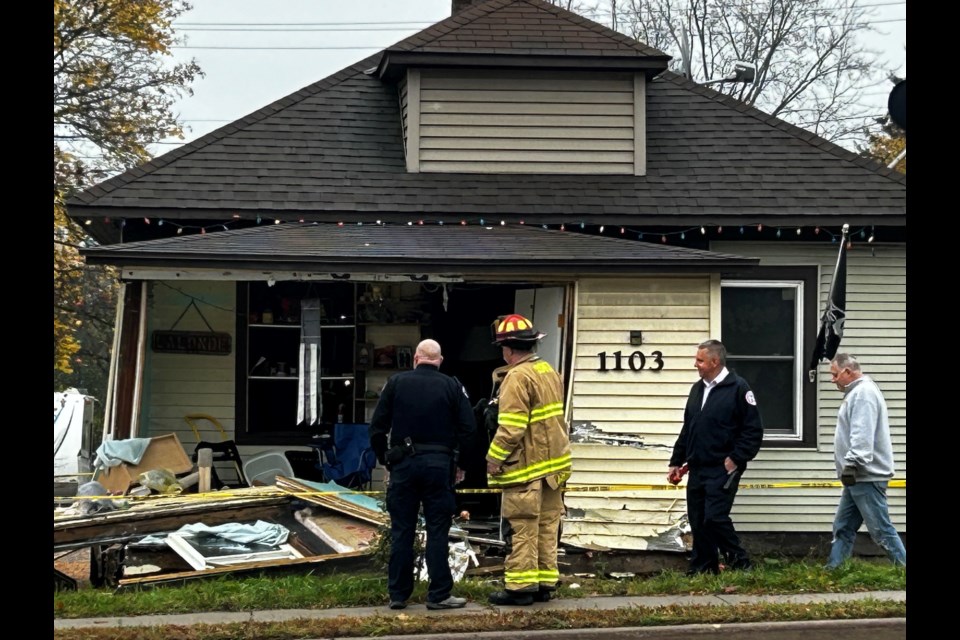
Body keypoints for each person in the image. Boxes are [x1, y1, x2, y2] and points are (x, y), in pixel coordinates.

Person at [369, 339, 477, 610]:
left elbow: (377, 427)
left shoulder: (395, 383)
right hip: (439, 467)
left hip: (403, 465)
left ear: (416, 358)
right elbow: (469, 429)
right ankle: (439, 594)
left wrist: (384, 459)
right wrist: (461, 465)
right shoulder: (452, 386)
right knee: (437, 529)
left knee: (402, 530)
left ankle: (398, 595)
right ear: (439, 361)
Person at [485, 314, 572, 606]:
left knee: (522, 527)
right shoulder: (549, 371)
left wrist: (493, 459)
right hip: (554, 469)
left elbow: (511, 427)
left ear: (508, 350)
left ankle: (520, 588)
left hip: (526, 469)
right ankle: (545, 582)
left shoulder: (516, 377)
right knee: (547, 527)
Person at [668, 339, 763, 575]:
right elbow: (688, 428)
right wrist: (676, 461)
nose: (696, 364)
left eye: (700, 360)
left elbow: (753, 431)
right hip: (698, 467)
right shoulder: (697, 389)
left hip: (723, 468)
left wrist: (736, 459)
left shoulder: (738, 388)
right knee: (698, 521)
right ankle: (704, 567)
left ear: (714, 361)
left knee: (715, 518)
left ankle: (741, 564)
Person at [825, 353, 906, 569]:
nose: (833, 380)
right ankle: (834, 568)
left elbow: (862, 434)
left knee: (880, 529)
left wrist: (852, 463)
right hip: (857, 476)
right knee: (843, 526)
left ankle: (903, 566)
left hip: (865, 474)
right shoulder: (857, 393)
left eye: (834, 375)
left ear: (848, 372)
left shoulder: (863, 394)